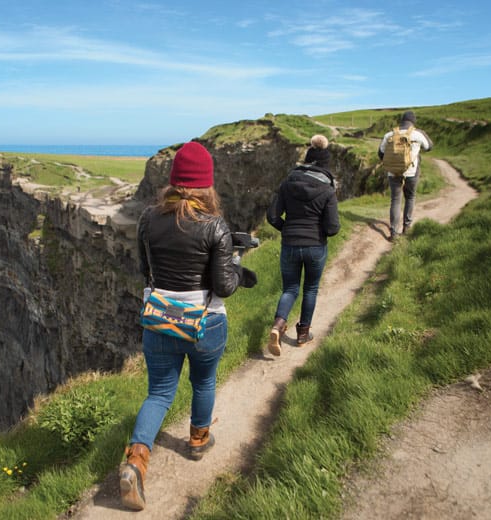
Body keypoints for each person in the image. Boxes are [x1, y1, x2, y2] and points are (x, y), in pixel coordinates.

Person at [119, 141, 257, 511]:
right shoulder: (216, 226)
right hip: (204, 323)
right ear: (207, 185)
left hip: (159, 319)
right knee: (204, 381)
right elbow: (224, 285)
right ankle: (198, 440)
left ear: (173, 182)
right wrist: (240, 267)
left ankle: (136, 460)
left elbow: (144, 271)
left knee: (160, 394)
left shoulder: (148, 219)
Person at [265, 134, 340, 356]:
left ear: (307, 160)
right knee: (310, 288)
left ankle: (278, 325)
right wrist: (319, 232)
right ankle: (303, 334)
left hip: (290, 243)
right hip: (315, 245)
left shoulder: (288, 182)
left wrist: (287, 228)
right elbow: (333, 227)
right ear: (325, 164)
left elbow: (272, 216)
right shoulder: (328, 189)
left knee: (290, 288)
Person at [378, 110, 434, 241]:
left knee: (395, 200)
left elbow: (381, 153)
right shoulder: (417, 134)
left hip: (393, 172)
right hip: (411, 172)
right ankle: (407, 228)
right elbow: (429, 147)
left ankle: (393, 232)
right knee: (410, 197)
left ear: (402, 121)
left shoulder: (389, 134)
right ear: (413, 122)